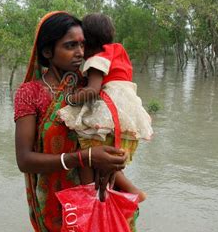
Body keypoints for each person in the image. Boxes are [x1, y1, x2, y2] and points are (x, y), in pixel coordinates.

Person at [14, 11, 129, 232]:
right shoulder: (30, 93)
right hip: (56, 204)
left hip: (101, 193)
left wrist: (116, 157)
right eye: (70, 45)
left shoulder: (92, 83)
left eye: (83, 44)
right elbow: (24, 160)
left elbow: (116, 127)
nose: (80, 52)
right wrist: (84, 157)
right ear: (48, 52)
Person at [58, 13, 152, 202]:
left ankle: (89, 195)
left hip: (109, 112)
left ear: (87, 41)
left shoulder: (97, 60)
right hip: (128, 112)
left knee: (87, 154)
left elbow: (93, 90)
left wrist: (71, 98)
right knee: (109, 162)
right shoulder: (119, 51)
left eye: (81, 43)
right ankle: (125, 193)